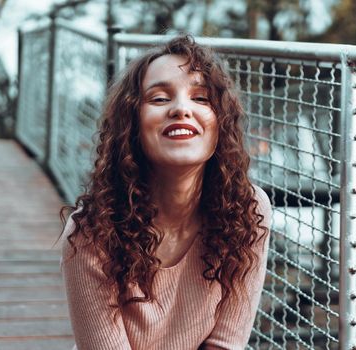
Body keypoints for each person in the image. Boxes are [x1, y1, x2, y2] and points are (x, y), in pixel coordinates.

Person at [60, 34, 272, 350]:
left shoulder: (249, 211)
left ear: (220, 123)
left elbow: (225, 344)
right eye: (159, 99)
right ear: (131, 124)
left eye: (200, 98)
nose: (181, 109)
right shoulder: (91, 231)